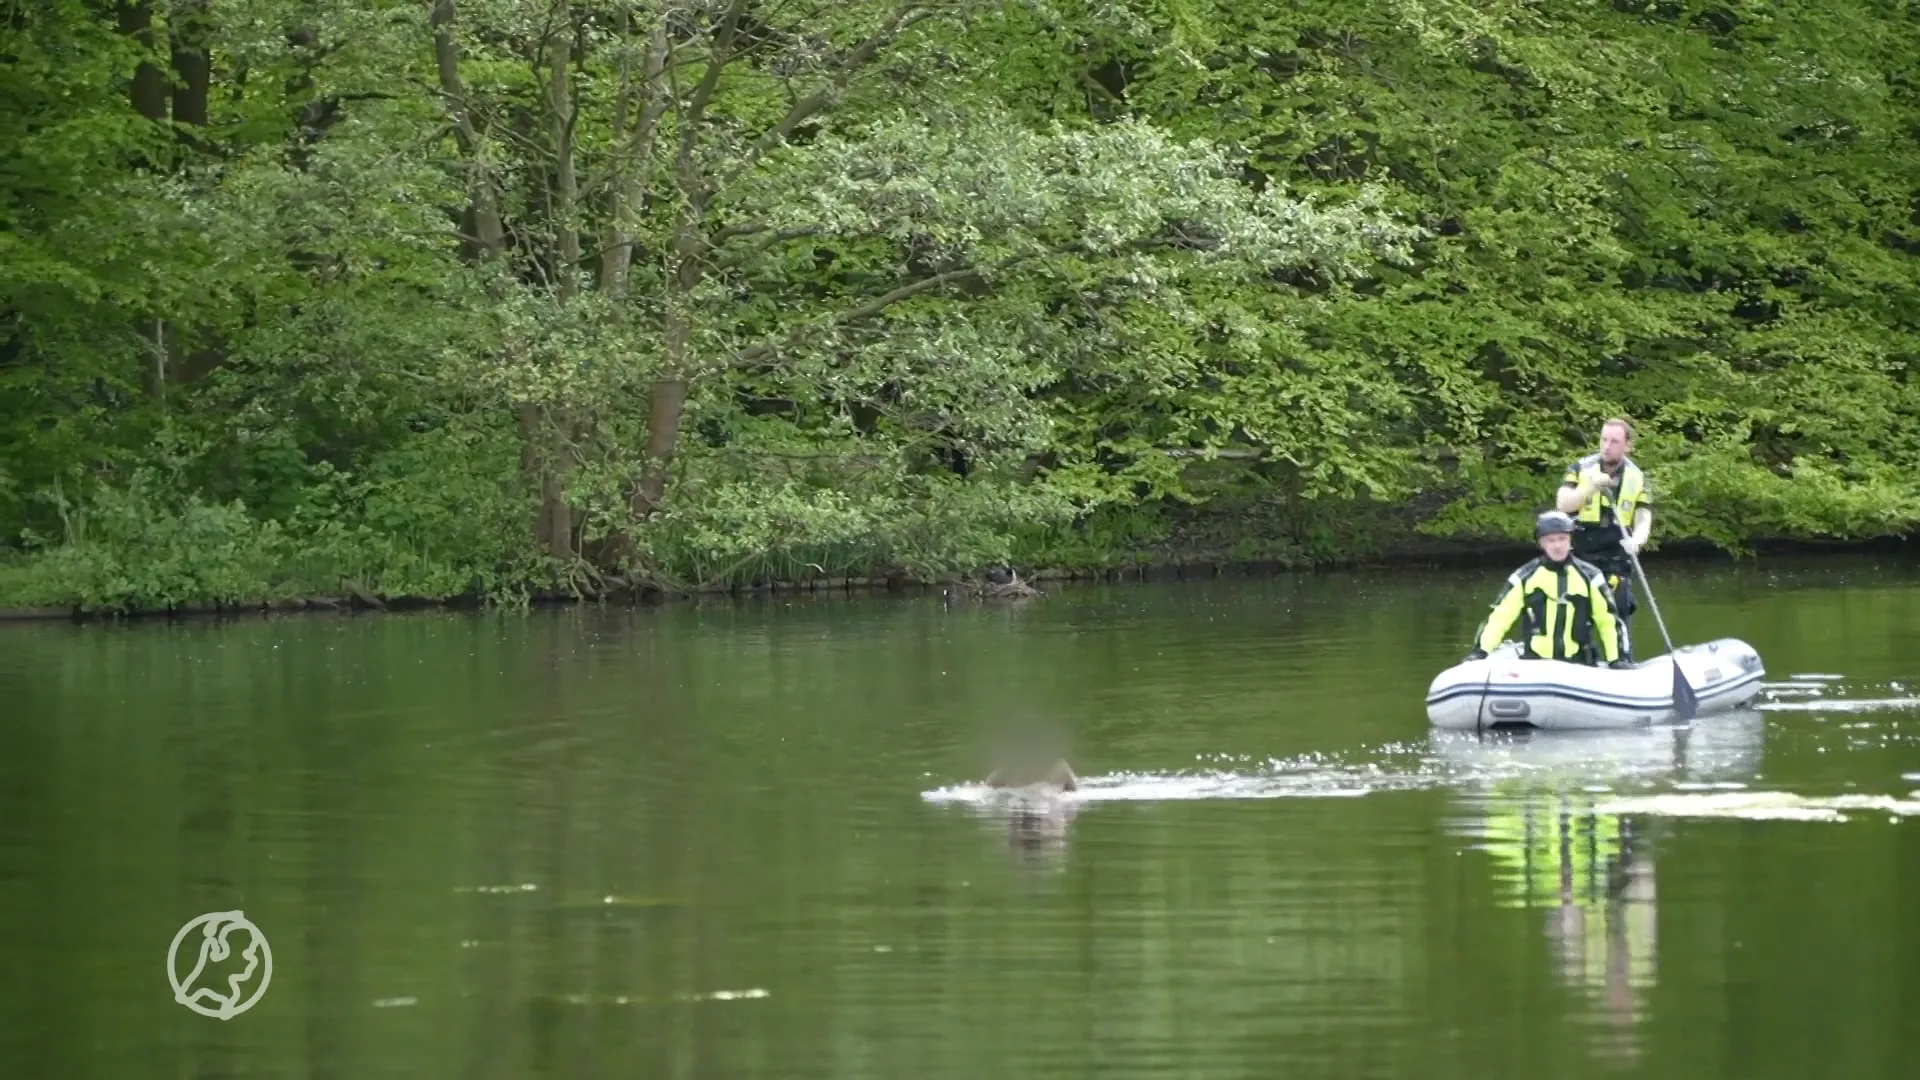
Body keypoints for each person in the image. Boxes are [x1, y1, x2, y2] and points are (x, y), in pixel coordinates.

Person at [1466, 510, 1632, 667]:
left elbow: (1608, 621)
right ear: (1541, 543)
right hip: (1535, 665)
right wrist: (1480, 652)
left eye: (1562, 539)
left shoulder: (1590, 576)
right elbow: (1500, 617)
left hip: (1579, 665)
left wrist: (1616, 660)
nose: (1557, 546)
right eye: (1551, 540)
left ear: (1570, 541)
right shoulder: (1525, 576)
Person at [1556, 417, 1653, 655]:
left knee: (1618, 613)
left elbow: (1643, 517)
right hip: (1582, 553)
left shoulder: (1637, 477)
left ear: (1627, 446)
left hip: (1616, 556)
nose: (1607, 446)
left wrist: (1637, 541)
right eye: (1604, 440)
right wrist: (1589, 487)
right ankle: (1578, 659)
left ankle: (1621, 661)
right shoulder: (1580, 469)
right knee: (1577, 615)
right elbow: (1563, 504)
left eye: (1614, 441)